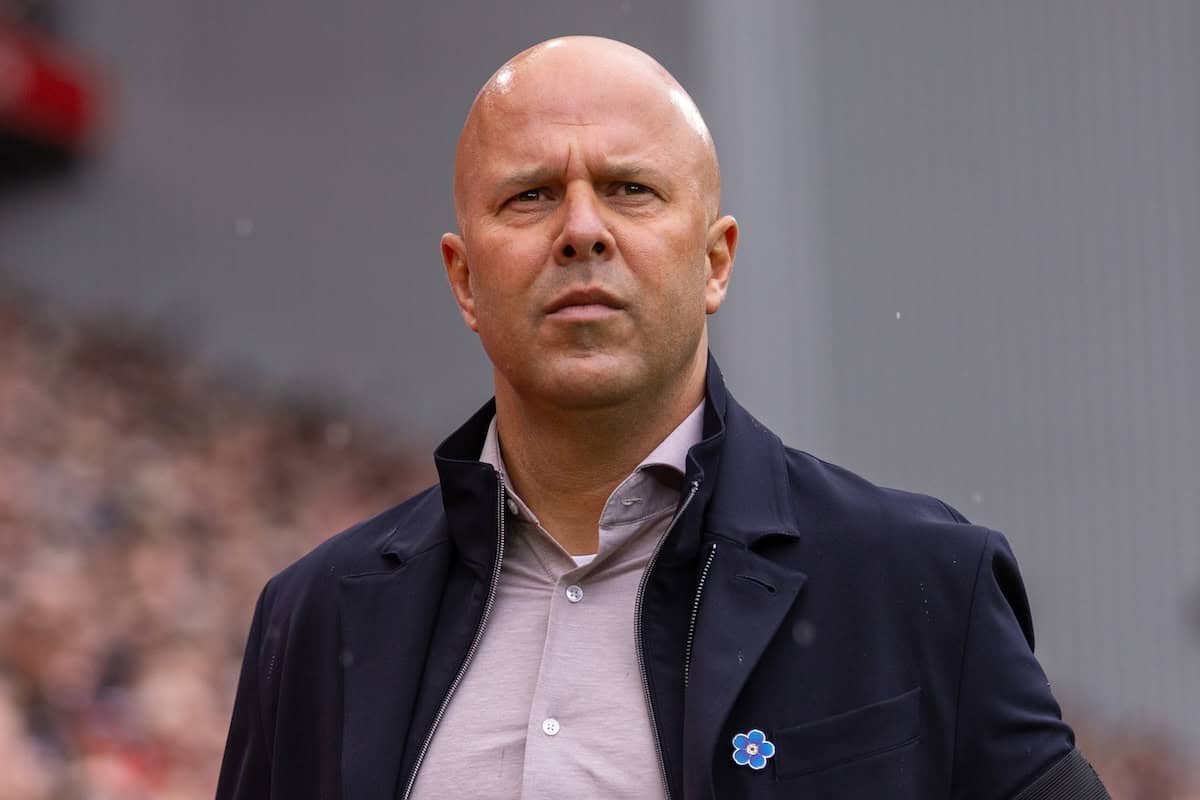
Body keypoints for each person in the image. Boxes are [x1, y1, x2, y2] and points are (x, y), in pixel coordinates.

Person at [216, 36, 1110, 799]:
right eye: (530, 195)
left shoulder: (920, 585)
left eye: (629, 188)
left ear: (715, 261)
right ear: (464, 280)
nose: (581, 229)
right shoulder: (316, 620)